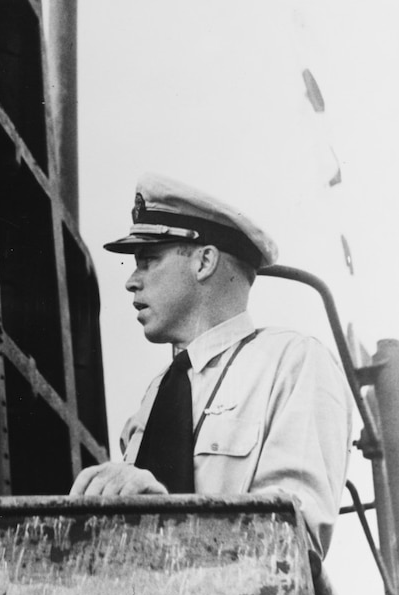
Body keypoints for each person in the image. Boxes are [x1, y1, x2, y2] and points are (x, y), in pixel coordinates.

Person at [70, 173, 352, 557]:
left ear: (204, 262)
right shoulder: (155, 395)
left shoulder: (292, 363)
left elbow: (292, 541)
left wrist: (168, 517)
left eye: (148, 261)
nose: (131, 282)